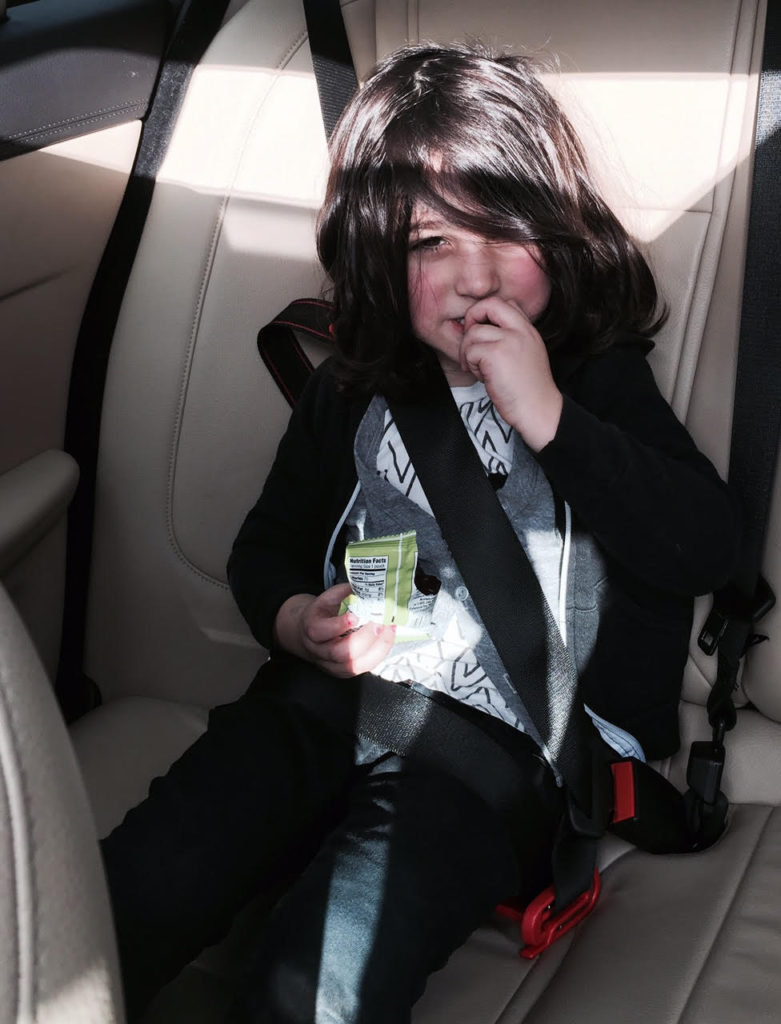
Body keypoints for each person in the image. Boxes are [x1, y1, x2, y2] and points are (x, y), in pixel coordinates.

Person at [101, 43, 739, 1023]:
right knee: (138, 886)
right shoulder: (358, 389)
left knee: (312, 987)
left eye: (501, 229)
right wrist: (290, 621)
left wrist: (551, 420)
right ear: (376, 260)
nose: (471, 274)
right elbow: (265, 545)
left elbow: (706, 545)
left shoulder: (599, 381)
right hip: (328, 697)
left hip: (503, 749)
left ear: (558, 235)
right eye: (428, 244)